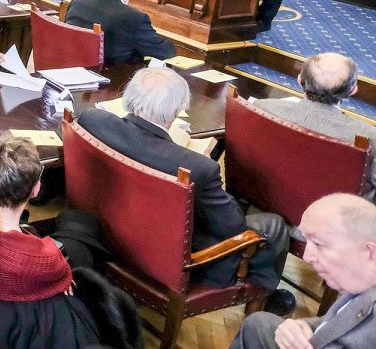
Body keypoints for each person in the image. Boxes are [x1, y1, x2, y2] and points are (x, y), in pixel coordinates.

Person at [77, 67, 293, 313]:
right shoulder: (199, 168)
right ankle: (263, 300)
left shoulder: (91, 120)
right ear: (177, 109)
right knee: (274, 225)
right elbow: (234, 228)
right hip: (171, 261)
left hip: (110, 233)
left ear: (128, 97)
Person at [0, 134, 102, 347]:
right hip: (29, 309)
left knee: (73, 221)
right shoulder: (37, 261)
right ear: (35, 189)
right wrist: (63, 276)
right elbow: (62, 273)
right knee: (84, 232)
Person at [231, 193, 376, 349]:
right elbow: (339, 319)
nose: (307, 257)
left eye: (318, 244)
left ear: (370, 252)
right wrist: (303, 326)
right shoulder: (359, 281)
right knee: (257, 324)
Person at [252, 52, 375, 194]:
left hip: (269, 193)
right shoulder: (369, 136)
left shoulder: (262, 107)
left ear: (299, 80)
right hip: (334, 205)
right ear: (352, 90)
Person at [64, 0, 175, 63]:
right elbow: (163, 51)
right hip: (109, 75)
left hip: (71, 66)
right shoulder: (134, 18)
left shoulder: (77, 3)